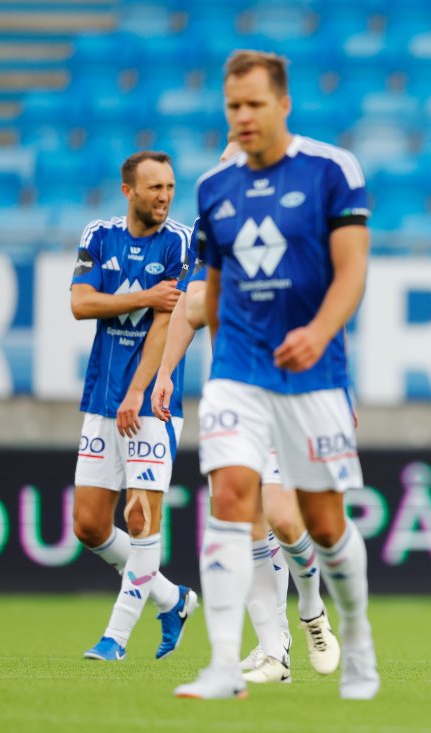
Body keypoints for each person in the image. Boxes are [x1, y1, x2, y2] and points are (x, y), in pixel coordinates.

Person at [173, 50, 378, 700]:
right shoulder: (212, 187)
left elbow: (352, 271)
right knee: (231, 498)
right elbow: (210, 287)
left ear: (283, 104)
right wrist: (184, 361)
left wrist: (318, 333)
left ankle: (352, 638)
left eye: (255, 104)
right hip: (237, 369)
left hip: (313, 373)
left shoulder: (331, 170)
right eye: (233, 106)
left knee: (316, 524)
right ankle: (227, 664)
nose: (243, 116)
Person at [151, 140, 338, 686]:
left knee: (282, 515)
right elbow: (189, 305)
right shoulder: (211, 229)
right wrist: (166, 373)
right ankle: (274, 650)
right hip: (232, 390)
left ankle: (311, 608)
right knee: (242, 516)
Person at [69, 150, 199, 662]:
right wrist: (145, 295)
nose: (164, 196)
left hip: (151, 402)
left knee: (141, 517)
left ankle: (115, 638)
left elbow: (171, 322)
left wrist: (138, 390)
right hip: (102, 395)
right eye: (154, 188)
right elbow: (82, 304)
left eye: (169, 186)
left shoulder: (181, 243)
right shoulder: (98, 236)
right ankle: (172, 598)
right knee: (89, 526)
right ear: (128, 191)